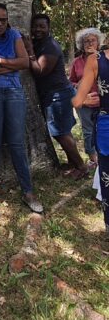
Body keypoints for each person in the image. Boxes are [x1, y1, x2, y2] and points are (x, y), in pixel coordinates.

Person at [0, 3, 43, 219]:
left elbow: (25, 63)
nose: (0, 23)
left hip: (14, 92)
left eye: (3, 19)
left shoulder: (14, 35)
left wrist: (0, 61)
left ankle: (28, 191)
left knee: (17, 143)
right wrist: (12, 64)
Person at [24, 14, 87, 179]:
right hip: (54, 94)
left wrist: (30, 50)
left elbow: (40, 71)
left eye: (42, 26)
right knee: (64, 131)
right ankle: (72, 163)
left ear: (48, 28)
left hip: (58, 95)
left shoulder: (51, 47)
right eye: (35, 26)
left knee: (60, 132)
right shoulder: (42, 43)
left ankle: (81, 166)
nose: (38, 29)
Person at [72, 46, 109, 240]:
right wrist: (83, 99)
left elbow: (77, 101)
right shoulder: (96, 60)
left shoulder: (96, 60)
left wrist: (84, 99)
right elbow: (78, 102)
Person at [70, 28, 104, 168]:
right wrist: (77, 86)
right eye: (86, 41)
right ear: (81, 44)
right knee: (88, 131)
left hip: (103, 101)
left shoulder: (104, 59)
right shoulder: (77, 62)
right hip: (84, 102)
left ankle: (104, 156)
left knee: (103, 129)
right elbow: (70, 81)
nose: (89, 43)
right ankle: (93, 159)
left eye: (92, 40)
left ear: (98, 43)